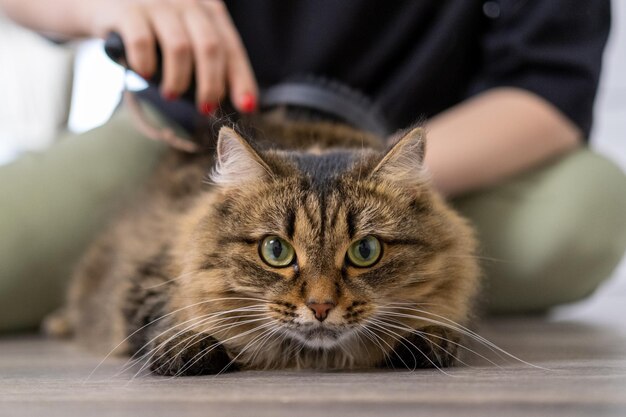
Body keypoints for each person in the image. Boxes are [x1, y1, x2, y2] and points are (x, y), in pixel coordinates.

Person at [1, 0, 625, 332]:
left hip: (413, 163)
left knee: (591, 206)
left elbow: (548, 89)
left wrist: (382, 185)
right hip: (187, 142)